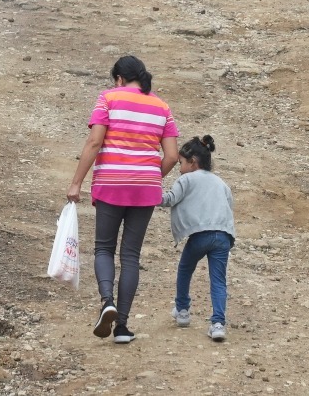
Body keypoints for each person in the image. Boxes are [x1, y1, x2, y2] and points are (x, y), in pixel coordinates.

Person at [66, 55, 179, 345]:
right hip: (145, 189)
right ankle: (123, 327)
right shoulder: (162, 107)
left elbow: (94, 141)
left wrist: (76, 182)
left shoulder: (108, 98)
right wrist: (151, 176)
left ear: (119, 79)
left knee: (104, 248)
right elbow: (172, 156)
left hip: (111, 184)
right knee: (131, 256)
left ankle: (107, 302)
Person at [160, 135, 236, 342]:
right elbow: (229, 207)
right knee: (218, 280)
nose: (180, 168)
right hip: (223, 235)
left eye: (182, 163)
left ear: (192, 161)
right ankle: (218, 324)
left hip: (200, 235)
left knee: (185, 269)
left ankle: (183, 310)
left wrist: (149, 192)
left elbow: (169, 199)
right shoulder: (221, 183)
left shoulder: (186, 179)